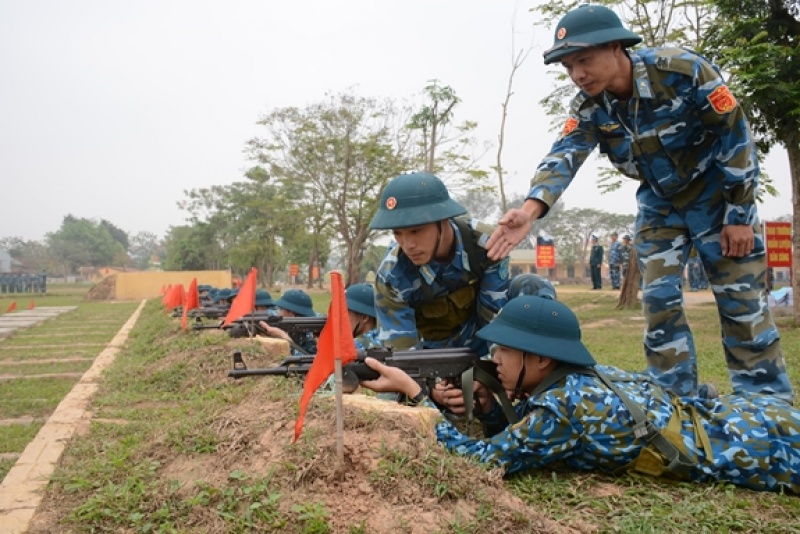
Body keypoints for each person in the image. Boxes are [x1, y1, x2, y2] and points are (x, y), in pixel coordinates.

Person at [485, 4, 793, 403]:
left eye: (584, 60)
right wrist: (528, 212)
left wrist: (738, 215)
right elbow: (564, 155)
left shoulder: (683, 71)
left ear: (616, 47)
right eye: (568, 67)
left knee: (740, 299)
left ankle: (766, 405)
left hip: (718, 195)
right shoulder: (588, 107)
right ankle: (674, 401)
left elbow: (736, 138)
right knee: (659, 299)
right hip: (660, 202)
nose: (577, 74)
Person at [360, 295, 800, 494]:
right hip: (746, 420)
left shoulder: (563, 406)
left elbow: (481, 462)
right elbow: (532, 434)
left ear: (543, 360)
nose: (496, 360)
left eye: (506, 351)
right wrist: (493, 410)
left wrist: (416, 395)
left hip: (762, 448)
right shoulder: (581, 378)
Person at [369, 171, 510, 410]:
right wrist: (431, 388)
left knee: (532, 289)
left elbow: (495, 322)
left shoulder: (486, 245)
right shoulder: (391, 275)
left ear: (443, 221)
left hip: (480, 337)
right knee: (392, 400)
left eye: (416, 230)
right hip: (430, 350)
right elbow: (401, 355)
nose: (408, 244)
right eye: (398, 233)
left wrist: (486, 380)